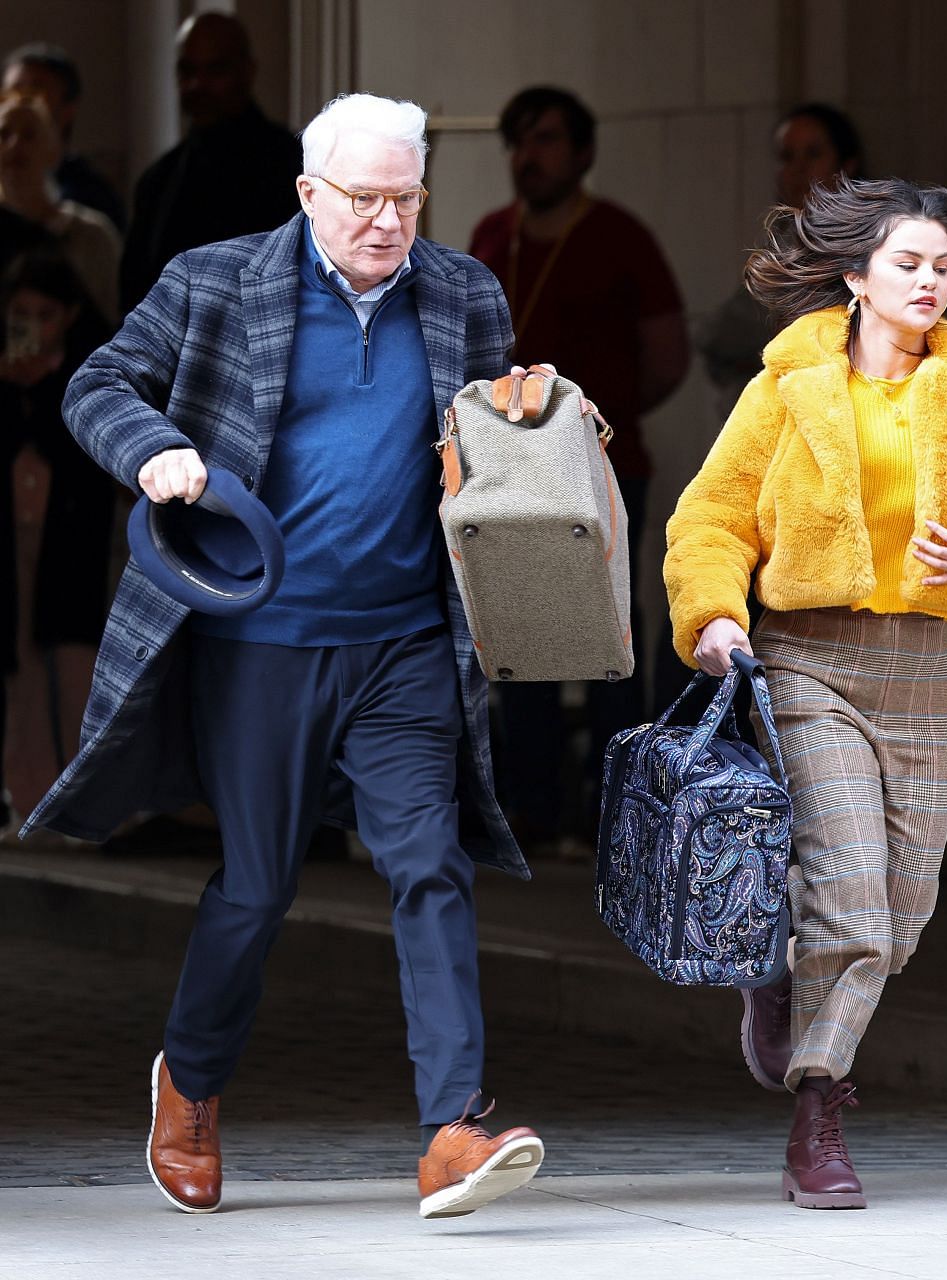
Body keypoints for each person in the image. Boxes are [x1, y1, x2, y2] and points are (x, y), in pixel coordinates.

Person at [20, 92, 549, 1222]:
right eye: (363, 199)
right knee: (257, 888)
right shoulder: (216, 282)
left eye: (406, 198)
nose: (387, 222)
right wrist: (158, 452)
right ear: (309, 193)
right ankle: (191, 1082)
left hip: (405, 639)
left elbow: (485, 445)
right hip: (258, 638)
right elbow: (95, 385)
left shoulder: (464, 291)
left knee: (428, 862)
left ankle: (455, 1124)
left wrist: (527, 421)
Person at [666, 177, 947, 1209]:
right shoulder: (788, 389)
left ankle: (781, 965)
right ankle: (818, 1109)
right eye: (908, 263)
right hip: (810, 657)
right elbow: (711, 516)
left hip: (939, 666)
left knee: (900, 910)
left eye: (942, 266)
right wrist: (712, 613)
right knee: (852, 894)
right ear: (855, 277)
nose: (930, 281)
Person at [468, 85, 688, 851]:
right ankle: (534, 802)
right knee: (520, 630)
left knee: (605, 636)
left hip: (600, 464)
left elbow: (666, 359)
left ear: (585, 152)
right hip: (509, 468)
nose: (530, 156)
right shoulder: (494, 235)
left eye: (549, 139)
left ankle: (614, 806)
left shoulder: (620, 236)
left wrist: (603, 413)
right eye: (520, 141)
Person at [0, 249, 114, 829]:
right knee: (17, 668)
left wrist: (41, 389)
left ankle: (83, 808)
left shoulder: (89, 371)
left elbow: (86, 455)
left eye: (45, 313)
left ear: (67, 315)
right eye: (21, 312)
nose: (33, 325)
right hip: (19, 539)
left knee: (76, 671)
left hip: (70, 545)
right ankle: (28, 801)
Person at [120, 12, 301, 311]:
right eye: (187, 71)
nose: (197, 85)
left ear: (247, 71)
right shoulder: (159, 181)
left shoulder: (292, 167)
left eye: (215, 70)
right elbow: (136, 296)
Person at [696, 103, 865, 408]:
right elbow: (722, 339)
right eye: (788, 157)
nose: (799, 169)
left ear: (846, 165)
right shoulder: (780, 244)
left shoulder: (877, 241)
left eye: (813, 154)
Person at [0, 91, 119, 319]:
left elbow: (112, 318)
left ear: (53, 151)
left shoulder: (92, 235)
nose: (14, 144)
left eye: (29, 135)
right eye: (4, 134)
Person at [0, 43, 124, 231]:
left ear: (68, 109)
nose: (21, 102)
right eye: (14, 90)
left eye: (35, 92)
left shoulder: (92, 200)